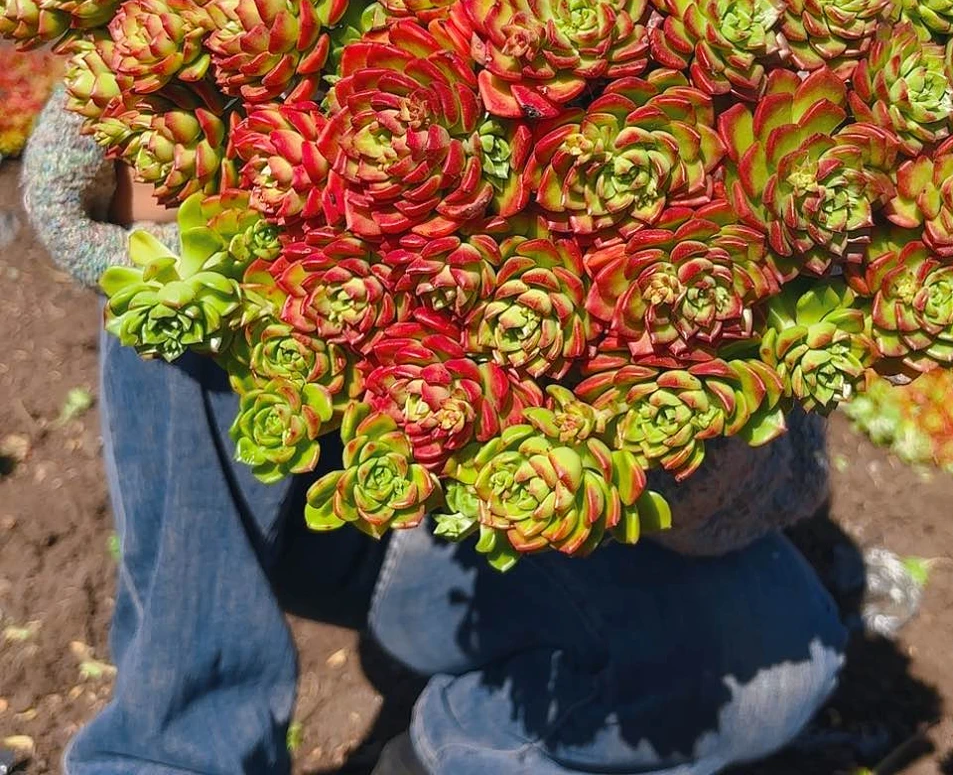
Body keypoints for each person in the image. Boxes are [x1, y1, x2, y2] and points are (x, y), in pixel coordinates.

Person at [22, 87, 847, 775]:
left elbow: (777, 472)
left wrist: (683, 397)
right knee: (181, 268)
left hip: (494, 549)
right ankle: (175, 745)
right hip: (309, 506)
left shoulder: (756, 81)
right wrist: (131, 170)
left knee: (776, 662)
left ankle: (434, 757)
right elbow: (126, 140)